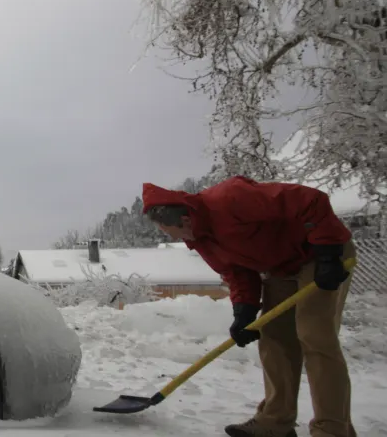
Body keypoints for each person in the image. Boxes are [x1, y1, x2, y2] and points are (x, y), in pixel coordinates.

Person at [141, 175, 357, 437]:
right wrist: (243, 311)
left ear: (185, 220)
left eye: (169, 232)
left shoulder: (230, 199)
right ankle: (275, 422)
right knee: (274, 337)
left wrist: (328, 251)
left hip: (320, 254)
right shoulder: (202, 239)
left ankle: (332, 429)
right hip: (280, 267)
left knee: (314, 333)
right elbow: (237, 273)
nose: (175, 238)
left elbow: (310, 200)